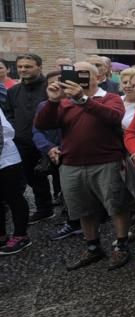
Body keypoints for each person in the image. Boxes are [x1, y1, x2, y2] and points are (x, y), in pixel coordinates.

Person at [35, 61, 131, 270]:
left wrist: (83, 99)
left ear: (97, 77)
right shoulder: (64, 102)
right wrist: (52, 101)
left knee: (115, 205)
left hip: (106, 161)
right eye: (75, 73)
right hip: (72, 164)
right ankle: (93, 247)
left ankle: (122, 244)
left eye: (85, 73)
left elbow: (114, 117)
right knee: (82, 208)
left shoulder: (110, 98)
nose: (80, 77)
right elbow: (42, 124)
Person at [3, 53, 55, 222]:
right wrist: (16, 129)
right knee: (32, 177)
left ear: (39, 67)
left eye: (28, 66)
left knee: (60, 178)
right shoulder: (13, 91)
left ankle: (71, 214)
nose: (23, 70)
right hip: (23, 142)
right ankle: (44, 208)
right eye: (20, 67)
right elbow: (9, 112)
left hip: (49, 141)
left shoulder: (50, 88)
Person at [33, 72, 82, 240]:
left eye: (61, 83)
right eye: (52, 84)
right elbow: (37, 130)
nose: (57, 87)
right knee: (64, 189)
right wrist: (49, 148)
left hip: (74, 154)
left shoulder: (79, 104)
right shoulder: (43, 106)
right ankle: (72, 220)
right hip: (54, 154)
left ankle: (81, 221)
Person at [0, 111, 29, 254]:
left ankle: (21, 236)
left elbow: (4, 132)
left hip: (7, 160)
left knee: (14, 198)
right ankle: (2, 236)